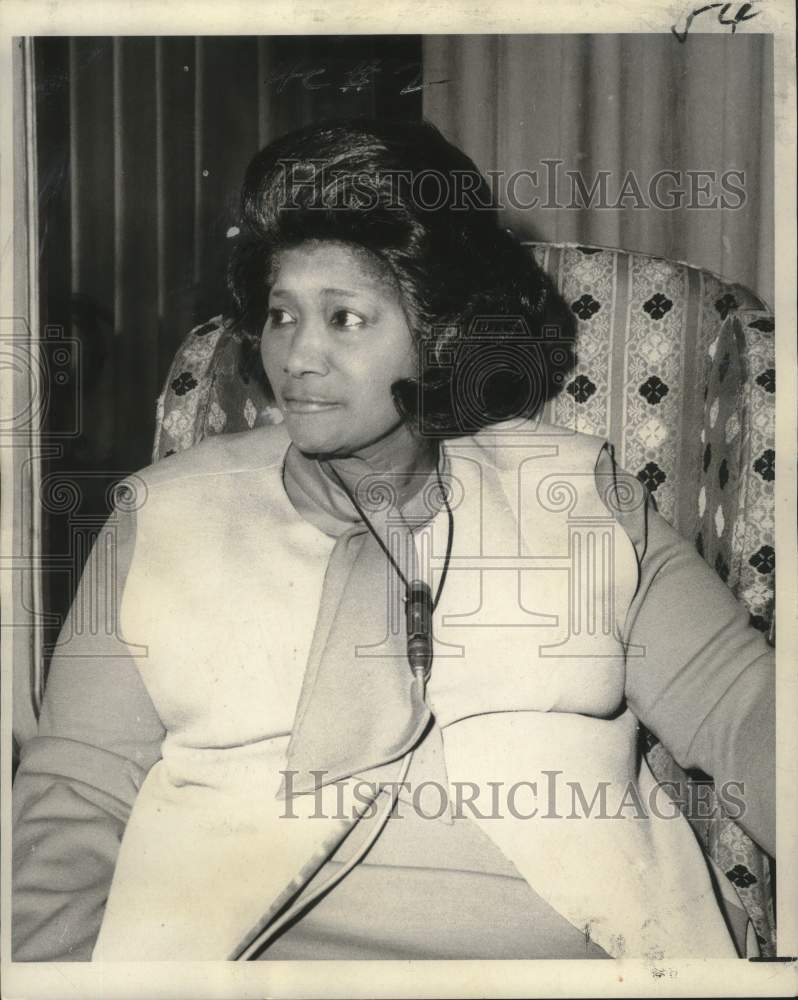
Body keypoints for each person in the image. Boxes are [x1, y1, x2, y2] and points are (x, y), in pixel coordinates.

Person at [12, 119, 774, 962]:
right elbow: (72, 804)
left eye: (344, 319)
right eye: (280, 315)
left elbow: (750, 715)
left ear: (442, 333)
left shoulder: (581, 498)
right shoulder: (155, 519)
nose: (296, 357)